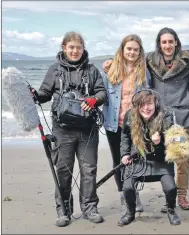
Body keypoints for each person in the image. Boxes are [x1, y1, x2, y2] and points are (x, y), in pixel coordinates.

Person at [103, 27, 189, 212]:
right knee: (124, 159)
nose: (168, 45)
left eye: (171, 41)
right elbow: (104, 91)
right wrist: (109, 62)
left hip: (161, 120)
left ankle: (179, 196)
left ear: (176, 42)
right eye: (164, 42)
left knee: (175, 157)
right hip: (127, 122)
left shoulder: (152, 68)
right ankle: (129, 195)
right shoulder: (126, 67)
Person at [32, 31, 107, 227]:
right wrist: (33, 95)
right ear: (64, 48)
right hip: (62, 130)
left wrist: (94, 99)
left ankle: (90, 208)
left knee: (88, 170)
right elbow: (44, 95)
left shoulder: (92, 70)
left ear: (83, 49)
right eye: (71, 47)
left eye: (78, 47)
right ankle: (63, 211)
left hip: (88, 129)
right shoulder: (54, 70)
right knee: (63, 172)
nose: (75, 51)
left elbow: (102, 92)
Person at [117, 89, 181, 226]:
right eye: (142, 104)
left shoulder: (166, 116)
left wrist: (160, 142)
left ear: (155, 104)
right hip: (137, 159)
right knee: (127, 187)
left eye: (149, 104)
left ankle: (171, 210)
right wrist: (124, 154)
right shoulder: (130, 115)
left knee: (170, 188)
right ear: (137, 105)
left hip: (161, 160)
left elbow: (173, 144)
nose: (146, 108)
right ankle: (130, 213)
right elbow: (125, 137)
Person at [102, 34, 150, 214]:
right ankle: (124, 196)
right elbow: (101, 93)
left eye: (136, 50)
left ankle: (134, 194)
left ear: (140, 52)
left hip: (136, 124)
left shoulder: (144, 71)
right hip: (114, 124)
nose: (132, 52)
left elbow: (148, 96)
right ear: (122, 50)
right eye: (129, 48)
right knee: (119, 161)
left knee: (136, 160)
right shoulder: (111, 69)